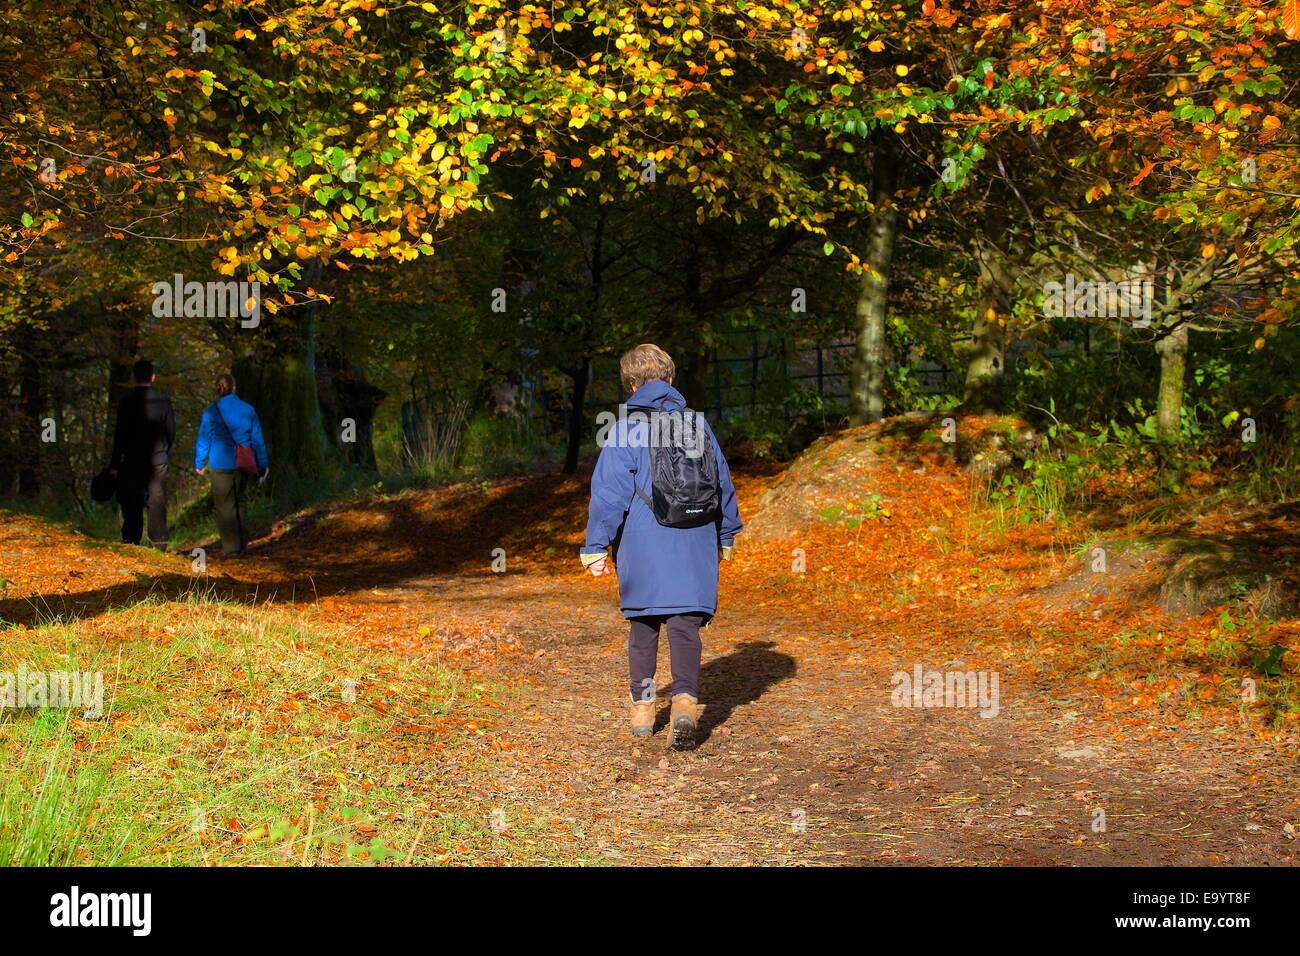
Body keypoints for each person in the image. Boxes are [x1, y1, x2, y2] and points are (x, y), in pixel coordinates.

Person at [580, 344, 742, 750]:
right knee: (686, 626)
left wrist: (596, 546)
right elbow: (722, 482)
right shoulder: (696, 425)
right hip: (695, 538)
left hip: (643, 540)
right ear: (671, 380)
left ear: (632, 385)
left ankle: (643, 711)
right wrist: (726, 535)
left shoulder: (625, 429)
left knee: (644, 626)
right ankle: (686, 706)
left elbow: (609, 494)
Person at [194, 373, 268, 556]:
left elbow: (204, 439)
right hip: (243, 462)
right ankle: (243, 543)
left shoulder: (210, 412)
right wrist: (263, 462)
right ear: (234, 388)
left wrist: (200, 462)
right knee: (240, 500)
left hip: (220, 463)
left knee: (224, 505)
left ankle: (231, 547)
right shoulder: (248, 410)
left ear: (217, 389)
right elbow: (257, 439)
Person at [109, 359, 175, 549]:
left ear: (133, 377)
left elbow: (119, 435)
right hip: (157, 459)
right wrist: (163, 450)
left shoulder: (126, 402)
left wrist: (114, 464)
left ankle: (131, 541)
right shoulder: (164, 402)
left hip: (131, 459)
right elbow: (171, 431)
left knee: (132, 500)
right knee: (157, 500)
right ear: (153, 376)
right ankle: (159, 543)